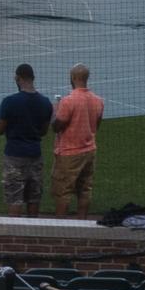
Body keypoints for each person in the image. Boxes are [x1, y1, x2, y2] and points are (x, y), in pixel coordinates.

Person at [0, 64, 53, 218]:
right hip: (35, 155)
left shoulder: (9, 102)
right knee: (34, 197)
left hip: (14, 155)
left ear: (17, 78)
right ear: (33, 78)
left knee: (15, 197)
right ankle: (33, 235)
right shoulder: (45, 102)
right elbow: (44, 131)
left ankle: (14, 236)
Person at [50, 64, 104, 218]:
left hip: (69, 154)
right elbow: (96, 127)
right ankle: (82, 224)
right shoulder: (98, 100)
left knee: (63, 192)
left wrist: (55, 110)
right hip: (89, 151)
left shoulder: (68, 101)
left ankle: (60, 228)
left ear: (73, 78)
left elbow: (56, 126)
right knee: (85, 190)